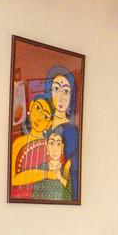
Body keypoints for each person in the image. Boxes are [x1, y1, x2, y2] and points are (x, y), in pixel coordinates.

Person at [44, 65, 80, 199]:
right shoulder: (44, 125)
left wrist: (70, 162)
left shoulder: (71, 129)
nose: (61, 97)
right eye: (56, 89)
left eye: (66, 91)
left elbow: (74, 167)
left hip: (61, 189)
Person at [9, 97, 53, 199]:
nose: (39, 118)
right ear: (31, 105)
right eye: (37, 108)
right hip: (18, 197)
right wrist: (46, 174)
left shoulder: (50, 146)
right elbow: (12, 179)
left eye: (45, 116)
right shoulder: (18, 143)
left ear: (49, 124)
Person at [32, 125, 72, 201]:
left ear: (62, 147)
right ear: (47, 147)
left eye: (58, 144)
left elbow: (69, 192)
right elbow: (35, 194)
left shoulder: (65, 170)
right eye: (51, 143)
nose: (55, 148)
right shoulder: (42, 168)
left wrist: (60, 178)